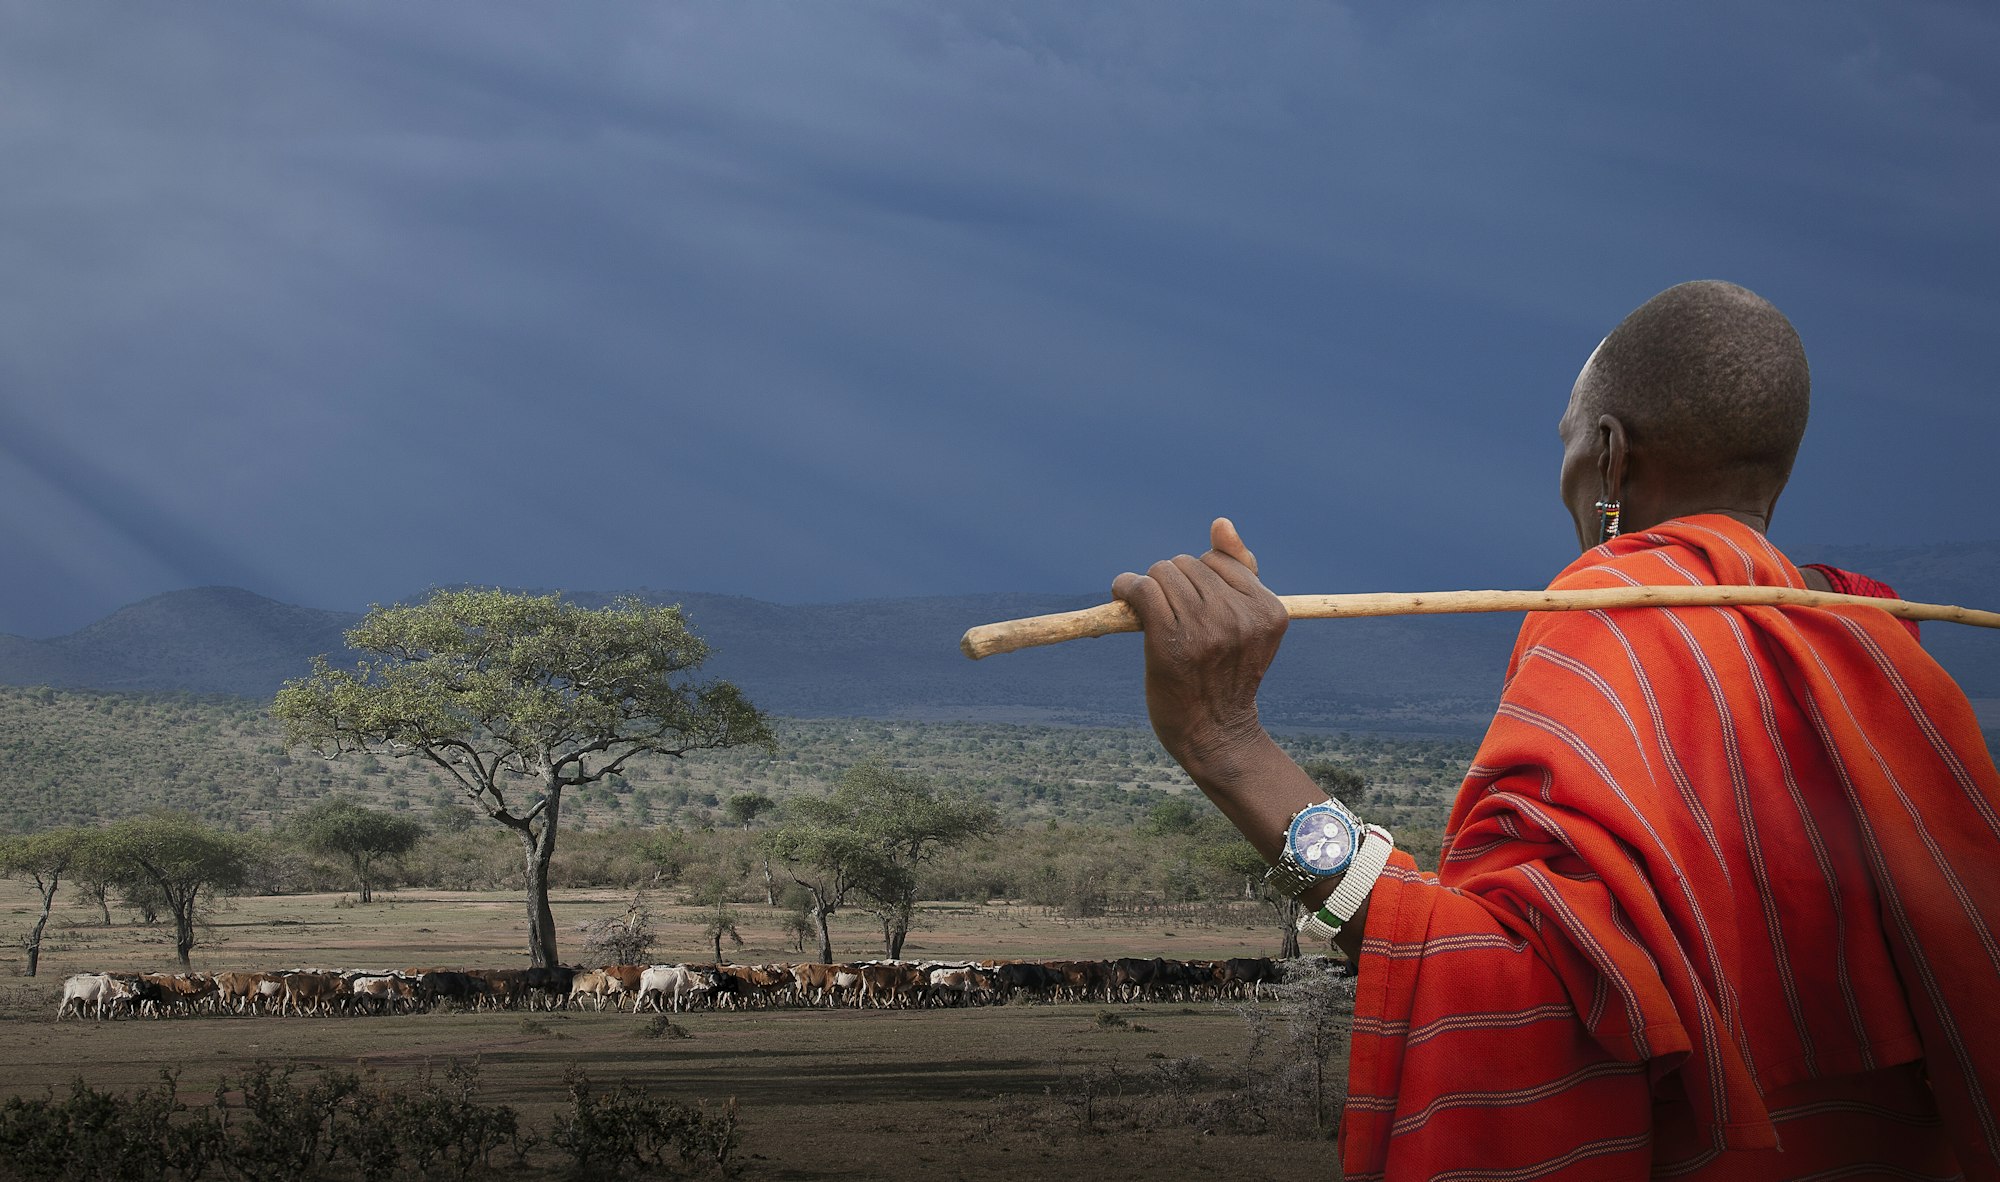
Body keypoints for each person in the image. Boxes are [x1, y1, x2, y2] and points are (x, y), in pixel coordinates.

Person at [1111, 281, 2000, 1180]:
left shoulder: (1612, 626)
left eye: (1569, 444)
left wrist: (1227, 746)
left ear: (1610, 456)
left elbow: (1505, 985)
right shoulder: (1883, 657)